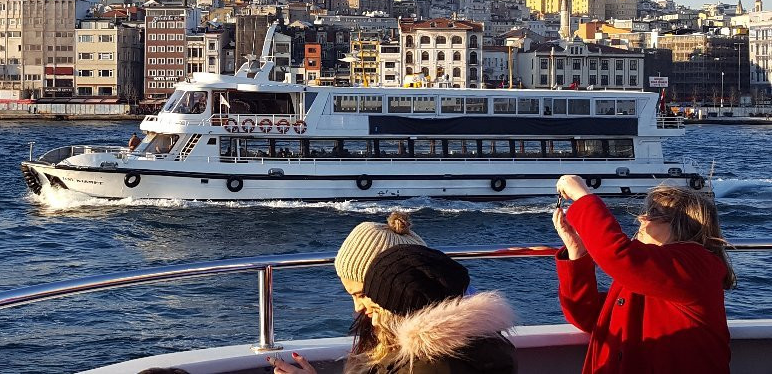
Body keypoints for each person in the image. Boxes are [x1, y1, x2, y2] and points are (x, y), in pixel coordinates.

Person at [552, 175, 735, 374]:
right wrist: (576, 251)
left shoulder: (698, 265)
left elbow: (619, 256)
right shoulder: (650, 271)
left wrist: (583, 197)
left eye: (654, 213)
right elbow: (588, 316)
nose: (641, 218)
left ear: (682, 224)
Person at [271, 244, 517, 374]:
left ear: (400, 311)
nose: (369, 318)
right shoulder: (451, 352)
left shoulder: (426, 366)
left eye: (376, 307)